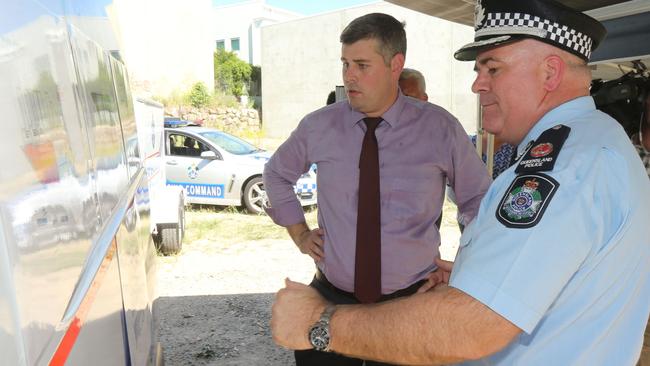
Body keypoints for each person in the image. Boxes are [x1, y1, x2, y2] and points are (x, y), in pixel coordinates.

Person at [271, 1, 650, 365]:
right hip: (343, 286)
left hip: (406, 304)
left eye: (493, 68)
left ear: (550, 73)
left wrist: (319, 323)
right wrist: (476, 268)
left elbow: (469, 328)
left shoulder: (562, 166)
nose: (477, 85)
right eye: (345, 64)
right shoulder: (596, 141)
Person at [263, 12, 491, 366]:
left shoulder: (439, 128)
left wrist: (468, 262)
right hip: (330, 302)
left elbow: (478, 199)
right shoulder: (319, 126)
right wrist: (300, 233)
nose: (349, 75)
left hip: (411, 307)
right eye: (345, 64)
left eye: (362, 65)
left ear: (395, 65)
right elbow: (276, 174)